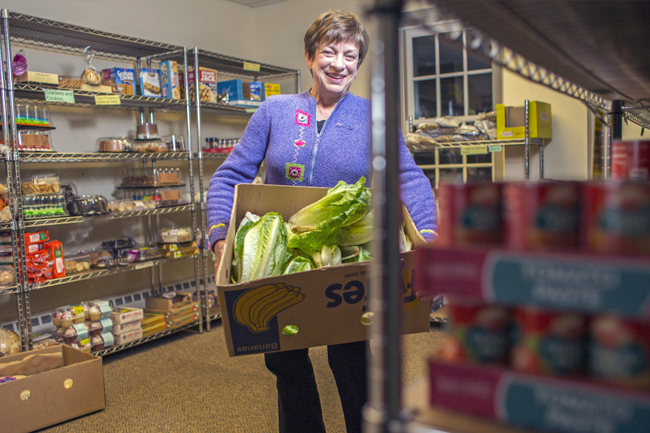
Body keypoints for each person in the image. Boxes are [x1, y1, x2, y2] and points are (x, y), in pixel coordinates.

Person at [206, 10, 437, 433]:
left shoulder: (373, 115)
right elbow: (230, 176)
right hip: (279, 256)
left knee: (352, 361)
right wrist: (221, 237)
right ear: (310, 56)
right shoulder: (274, 110)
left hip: (345, 255)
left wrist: (428, 236)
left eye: (350, 55)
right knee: (286, 362)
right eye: (329, 52)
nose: (339, 64)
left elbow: (408, 179)